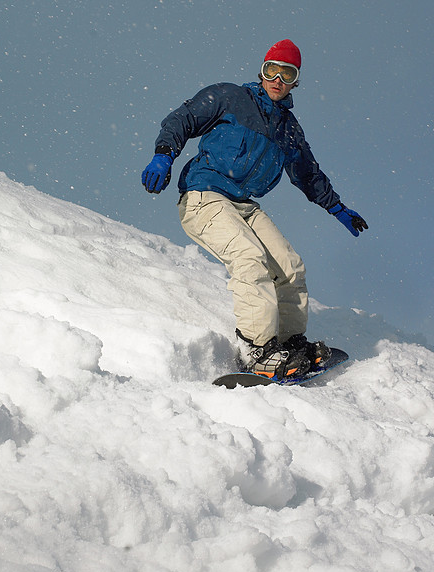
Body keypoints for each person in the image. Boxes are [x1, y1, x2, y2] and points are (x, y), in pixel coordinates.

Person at [141, 39, 368, 379]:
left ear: (295, 82)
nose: (277, 79)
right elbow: (182, 119)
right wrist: (164, 154)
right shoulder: (230, 97)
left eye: (287, 74)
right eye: (271, 70)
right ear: (261, 71)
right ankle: (256, 350)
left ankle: (289, 344)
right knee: (249, 258)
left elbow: (307, 173)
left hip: (243, 204)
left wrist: (337, 208)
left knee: (290, 267)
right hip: (204, 195)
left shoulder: (287, 128)